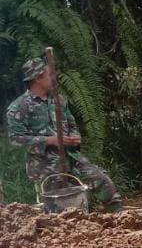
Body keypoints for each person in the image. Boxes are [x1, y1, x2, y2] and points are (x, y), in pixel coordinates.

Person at [6, 57, 122, 212]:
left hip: (71, 156)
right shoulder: (19, 107)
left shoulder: (59, 100)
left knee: (102, 180)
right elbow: (15, 140)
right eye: (49, 75)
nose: (54, 78)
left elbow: (71, 124)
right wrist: (49, 140)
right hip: (45, 165)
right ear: (38, 78)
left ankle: (120, 218)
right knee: (62, 205)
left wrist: (75, 137)